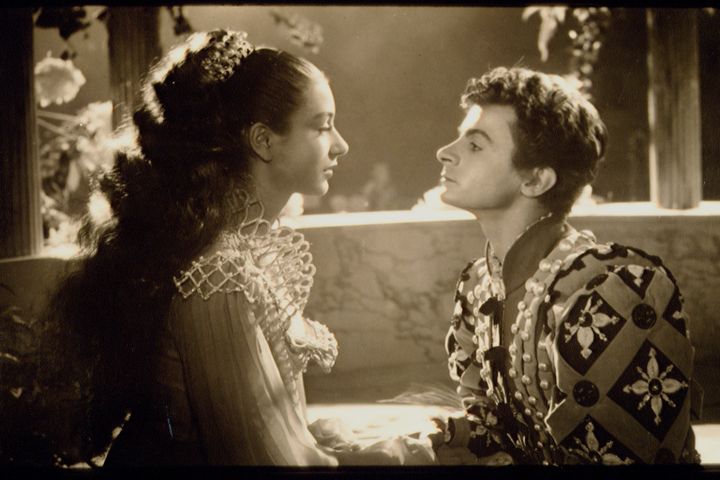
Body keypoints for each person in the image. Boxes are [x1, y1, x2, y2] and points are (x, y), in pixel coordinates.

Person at [39, 29, 433, 467]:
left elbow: (273, 427)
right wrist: (389, 458)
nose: (341, 145)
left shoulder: (244, 255)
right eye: (322, 126)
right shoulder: (219, 278)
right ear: (263, 141)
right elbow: (265, 461)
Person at [429, 67, 703, 465]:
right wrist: (450, 434)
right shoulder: (479, 284)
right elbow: (501, 429)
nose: (445, 151)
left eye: (475, 145)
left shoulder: (608, 291)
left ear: (536, 180)